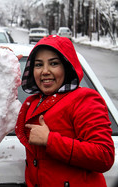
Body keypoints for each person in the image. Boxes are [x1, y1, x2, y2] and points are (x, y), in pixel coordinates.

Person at [15, 35, 114, 187]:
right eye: (38, 65)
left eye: (54, 63)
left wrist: (50, 140)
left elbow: (104, 156)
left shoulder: (84, 99)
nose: (45, 71)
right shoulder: (31, 103)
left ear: (67, 67)